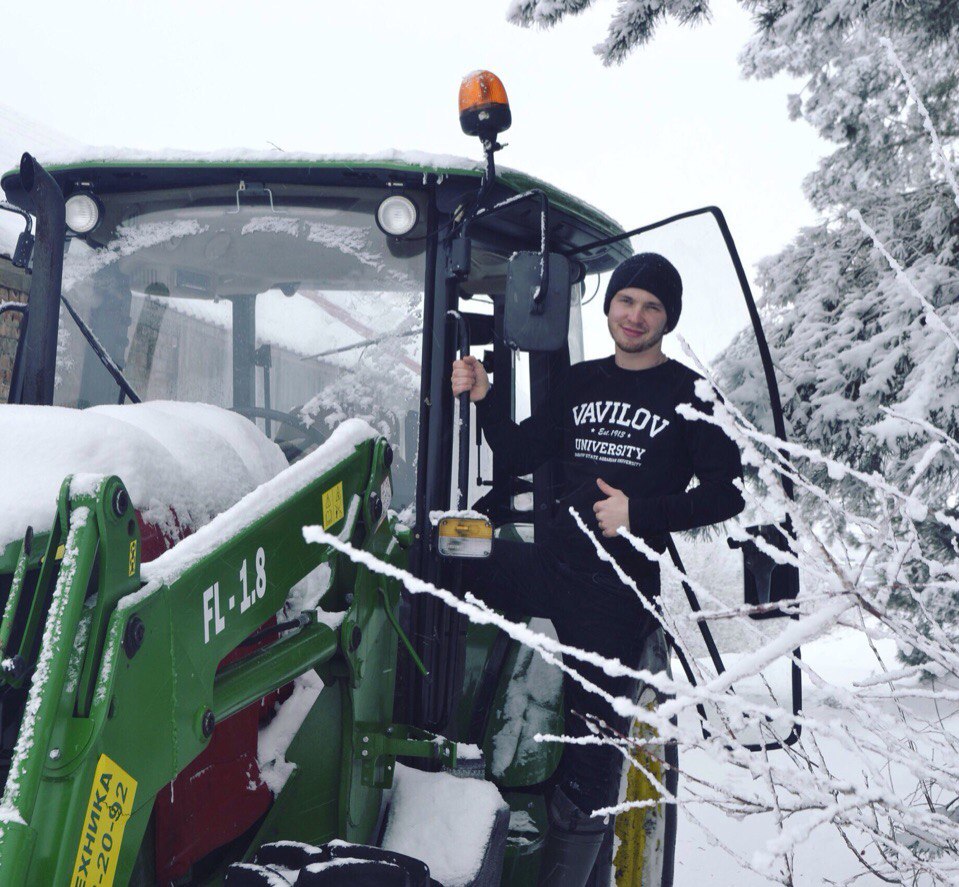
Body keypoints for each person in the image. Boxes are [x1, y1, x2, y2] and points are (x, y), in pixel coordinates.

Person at [451, 252, 745, 886]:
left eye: (651, 307)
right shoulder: (582, 382)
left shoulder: (689, 393)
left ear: (668, 319)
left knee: (593, 750)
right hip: (552, 563)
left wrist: (641, 512)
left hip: (615, 596)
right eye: (626, 302)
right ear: (609, 307)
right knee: (442, 561)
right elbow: (517, 448)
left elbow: (727, 493)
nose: (635, 317)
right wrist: (484, 395)